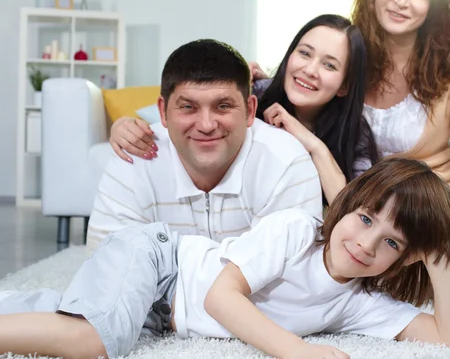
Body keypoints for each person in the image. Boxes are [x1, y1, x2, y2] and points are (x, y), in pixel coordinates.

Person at [108, 0, 450, 309]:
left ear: (346, 84)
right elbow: (208, 104)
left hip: (431, 195)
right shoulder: (317, 68)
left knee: (403, 211)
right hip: (353, 212)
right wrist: (126, 123)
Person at [0, 157, 450, 359]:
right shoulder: (296, 230)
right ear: (346, 205)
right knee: (96, 341)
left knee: (65, 315)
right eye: (367, 219)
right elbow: (220, 298)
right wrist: (297, 350)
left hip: (163, 316)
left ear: (407, 258)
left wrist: (439, 259)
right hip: (162, 263)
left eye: (393, 243)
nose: (367, 245)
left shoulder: (359, 300)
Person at [109, 14, 379, 205]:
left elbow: (354, 213)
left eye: (329, 65)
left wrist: (314, 145)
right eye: (305, 53)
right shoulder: (256, 93)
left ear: (345, 85)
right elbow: (181, 108)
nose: (310, 70)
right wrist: (123, 126)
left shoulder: (355, 132)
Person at [86, 38, 323, 251]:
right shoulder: (133, 158)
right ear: (162, 111)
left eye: (223, 106)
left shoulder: (286, 162)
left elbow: (292, 281)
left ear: (250, 110)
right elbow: (106, 271)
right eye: (188, 107)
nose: (206, 125)